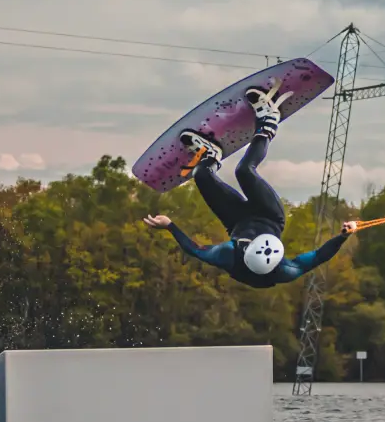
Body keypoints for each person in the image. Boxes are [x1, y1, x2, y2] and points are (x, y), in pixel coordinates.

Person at [144, 79, 357, 288]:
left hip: (236, 221)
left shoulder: (227, 255)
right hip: (269, 214)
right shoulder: (286, 270)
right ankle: (268, 121)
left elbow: (195, 249)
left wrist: (170, 226)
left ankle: (210, 155)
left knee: (200, 175)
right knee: (244, 171)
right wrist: (343, 236)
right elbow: (319, 256)